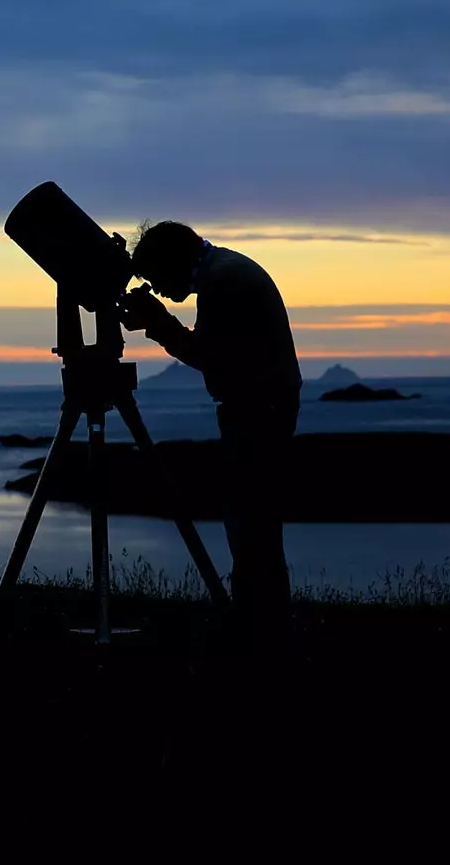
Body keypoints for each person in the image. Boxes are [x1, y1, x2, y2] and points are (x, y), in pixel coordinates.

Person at [117, 221, 302, 647]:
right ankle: (265, 623)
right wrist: (161, 323)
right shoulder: (226, 271)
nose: (159, 289)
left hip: (258, 411)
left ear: (174, 261)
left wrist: (160, 324)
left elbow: (208, 356)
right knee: (256, 522)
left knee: (250, 523)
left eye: (157, 278)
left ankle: (258, 630)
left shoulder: (223, 282)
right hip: (264, 406)